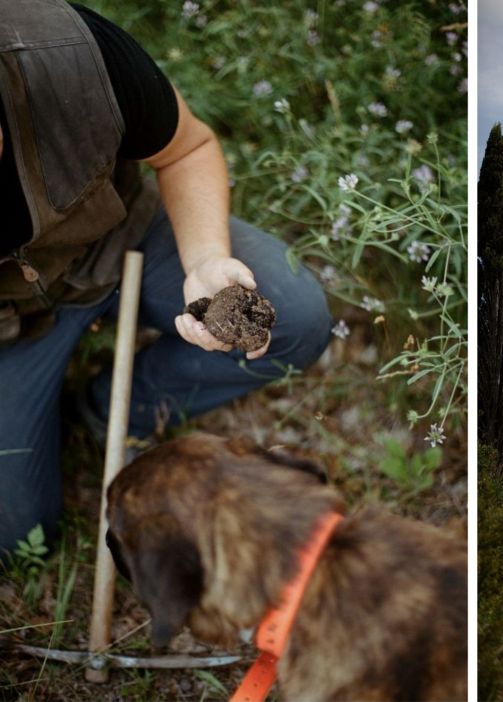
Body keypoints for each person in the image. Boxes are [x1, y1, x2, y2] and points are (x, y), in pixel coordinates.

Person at [0, 1, 332, 554]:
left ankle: (110, 411)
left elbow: (187, 149)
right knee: (19, 538)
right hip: (15, 327)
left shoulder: (66, 50)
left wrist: (204, 260)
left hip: (119, 235)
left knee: (294, 314)